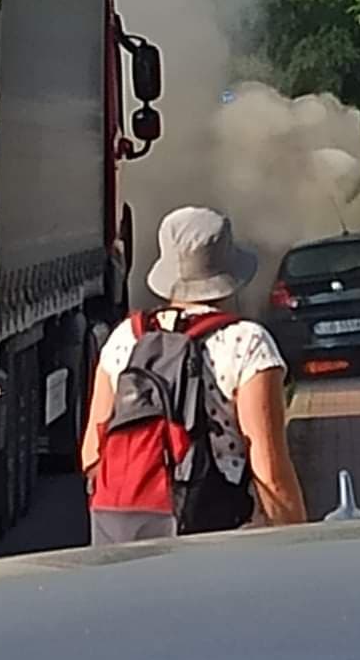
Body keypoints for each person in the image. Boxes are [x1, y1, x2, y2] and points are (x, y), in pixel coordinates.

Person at [83, 207, 306, 531]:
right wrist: (300, 543)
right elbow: (270, 473)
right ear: (229, 273)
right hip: (218, 538)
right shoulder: (246, 342)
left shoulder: (125, 338)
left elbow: (92, 451)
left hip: (125, 534)